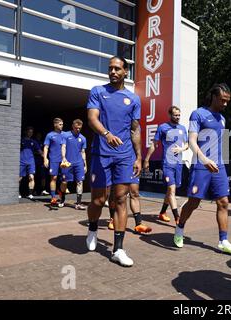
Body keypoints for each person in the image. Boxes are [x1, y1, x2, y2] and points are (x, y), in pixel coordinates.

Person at [173, 83, 231, 256]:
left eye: (228, 101)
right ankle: (180, 228)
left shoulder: (222, 118)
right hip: (201, 165)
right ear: (213, 97)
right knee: (194, 202)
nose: (225, 104)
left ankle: (223, 241)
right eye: (222, 100)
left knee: (224, 202)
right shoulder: (198, 114)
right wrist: (204, 160)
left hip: (219, 166)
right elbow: (192, 141)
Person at [85, 56, 142, 267]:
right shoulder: (98, 91)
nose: (113, 72)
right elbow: (92, 119)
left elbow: (135, 129)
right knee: (99, 201)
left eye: (117, 68)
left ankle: (118, 249)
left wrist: (139, 156)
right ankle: (92, 228)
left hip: (125, 155)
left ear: (126, 71)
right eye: (110, 68)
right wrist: (106, 134)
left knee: (120, 199)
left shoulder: (134, 99)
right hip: (101, 154)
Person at [144, 106, 188, 224]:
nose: (178, 117)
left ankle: (162, 212)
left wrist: (182, 149)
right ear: (170, 115)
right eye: (175, 115)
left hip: (178, 164)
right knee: (171, 189)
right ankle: (177, 218)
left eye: (179, 115)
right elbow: (154, 144)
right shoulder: (162, 127)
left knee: (170, 191)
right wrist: (147, 159)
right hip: (167, 163)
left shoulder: (183, 128)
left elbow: (187, 144)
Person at [58, 119, 88, 210]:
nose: (78, 130)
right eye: (76, 128)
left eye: (79, 128)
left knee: (80, 182)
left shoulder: (83, 138)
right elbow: (63, 146)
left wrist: (85, 164)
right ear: (72, 126)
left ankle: (78, 203)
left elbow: (83, 151)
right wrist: (63, 157)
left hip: (79, 163)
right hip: (68, 162)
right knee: (64, 182)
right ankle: (62, 199)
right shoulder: (65, 135)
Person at [43, 118, 64, 207]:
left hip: (63, 160)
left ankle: (62, 197)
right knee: (54, 178)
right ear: (55, 125)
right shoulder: (50, 135)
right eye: (60, 124)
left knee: (64, 179)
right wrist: (45, 159)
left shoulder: (65, 134)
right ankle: (53, 198)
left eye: (62, 124)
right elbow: (46, 147)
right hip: (53, 159)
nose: (62, 126)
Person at [19, 126, 42, 199]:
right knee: (19, 178)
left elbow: (39, 151)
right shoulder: (21, 140)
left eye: (31, 132)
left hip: (31, 161)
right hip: (22, 160)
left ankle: (30, 193)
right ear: (25, 132)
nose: (30, 133)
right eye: (29, 132)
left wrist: (46, 157)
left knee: (31, 177)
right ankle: (18, 192)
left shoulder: (33, 142)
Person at [33, 131, 49, 196]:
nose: (39, 136)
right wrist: (41, 154)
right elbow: (33, 151)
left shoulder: (43, 142)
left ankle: (43, 190)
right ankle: (34, 190)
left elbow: (46, 151)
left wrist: (45, 157)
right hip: (35, 161)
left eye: (40, 135)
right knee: (35, 176)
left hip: (42, 162)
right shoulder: (34, 142)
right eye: (38, 135)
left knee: (43, 176)